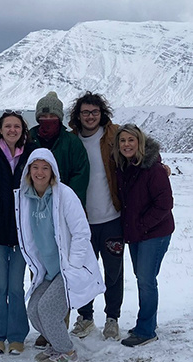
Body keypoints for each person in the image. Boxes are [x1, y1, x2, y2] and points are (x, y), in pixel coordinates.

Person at [15, 148, 105, 362]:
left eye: (45, 168)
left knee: (47, 309)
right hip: (47, 269)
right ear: (28, 170)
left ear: (53, 171)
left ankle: (67, 352)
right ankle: (56, 345)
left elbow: (82, 232)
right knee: (33, 309)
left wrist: (73, 265)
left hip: (66, 268)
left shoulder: (64, 195)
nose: (39, 172)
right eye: (35, 167)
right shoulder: (24, 197)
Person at [0, 110, 36, 355]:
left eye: (17, 126)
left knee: (16, 287)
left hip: (23, 233)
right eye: (7, 126)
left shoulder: (31, 154)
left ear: (23, 130)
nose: (12, 130)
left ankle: (17, 336)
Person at [68, 92, 124, 340]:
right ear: (77, 116)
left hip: (111, 218)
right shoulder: (71, 141)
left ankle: (112, 318)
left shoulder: (114, 135)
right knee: (83, 272)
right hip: (81, 222)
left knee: (113, 272)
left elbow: (139, 150)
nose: (90, 117)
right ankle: (86, 317)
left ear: (102, 114)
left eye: (94, 112)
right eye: (85, 112)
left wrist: (158, 164)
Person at [112, 124, 174, 347]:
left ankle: (146, 330)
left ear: (140, 143)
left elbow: (165, 204)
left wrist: (141, 226)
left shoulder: (153, 170)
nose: (127, 144)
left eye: (131, 140)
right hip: (138, 234)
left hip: (154, 233)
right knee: (143, 278)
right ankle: (147, 323)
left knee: (146, 280)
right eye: (122, 141)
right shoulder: (124, 167)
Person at [29, 91, 90, 207]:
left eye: (52, 116)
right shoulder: (28, 140)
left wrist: (67, 203)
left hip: (64, 206)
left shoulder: (72, 143)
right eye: (44, 116)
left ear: (59, 118)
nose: (48, 120)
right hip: (34, 205)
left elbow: (80, 177)